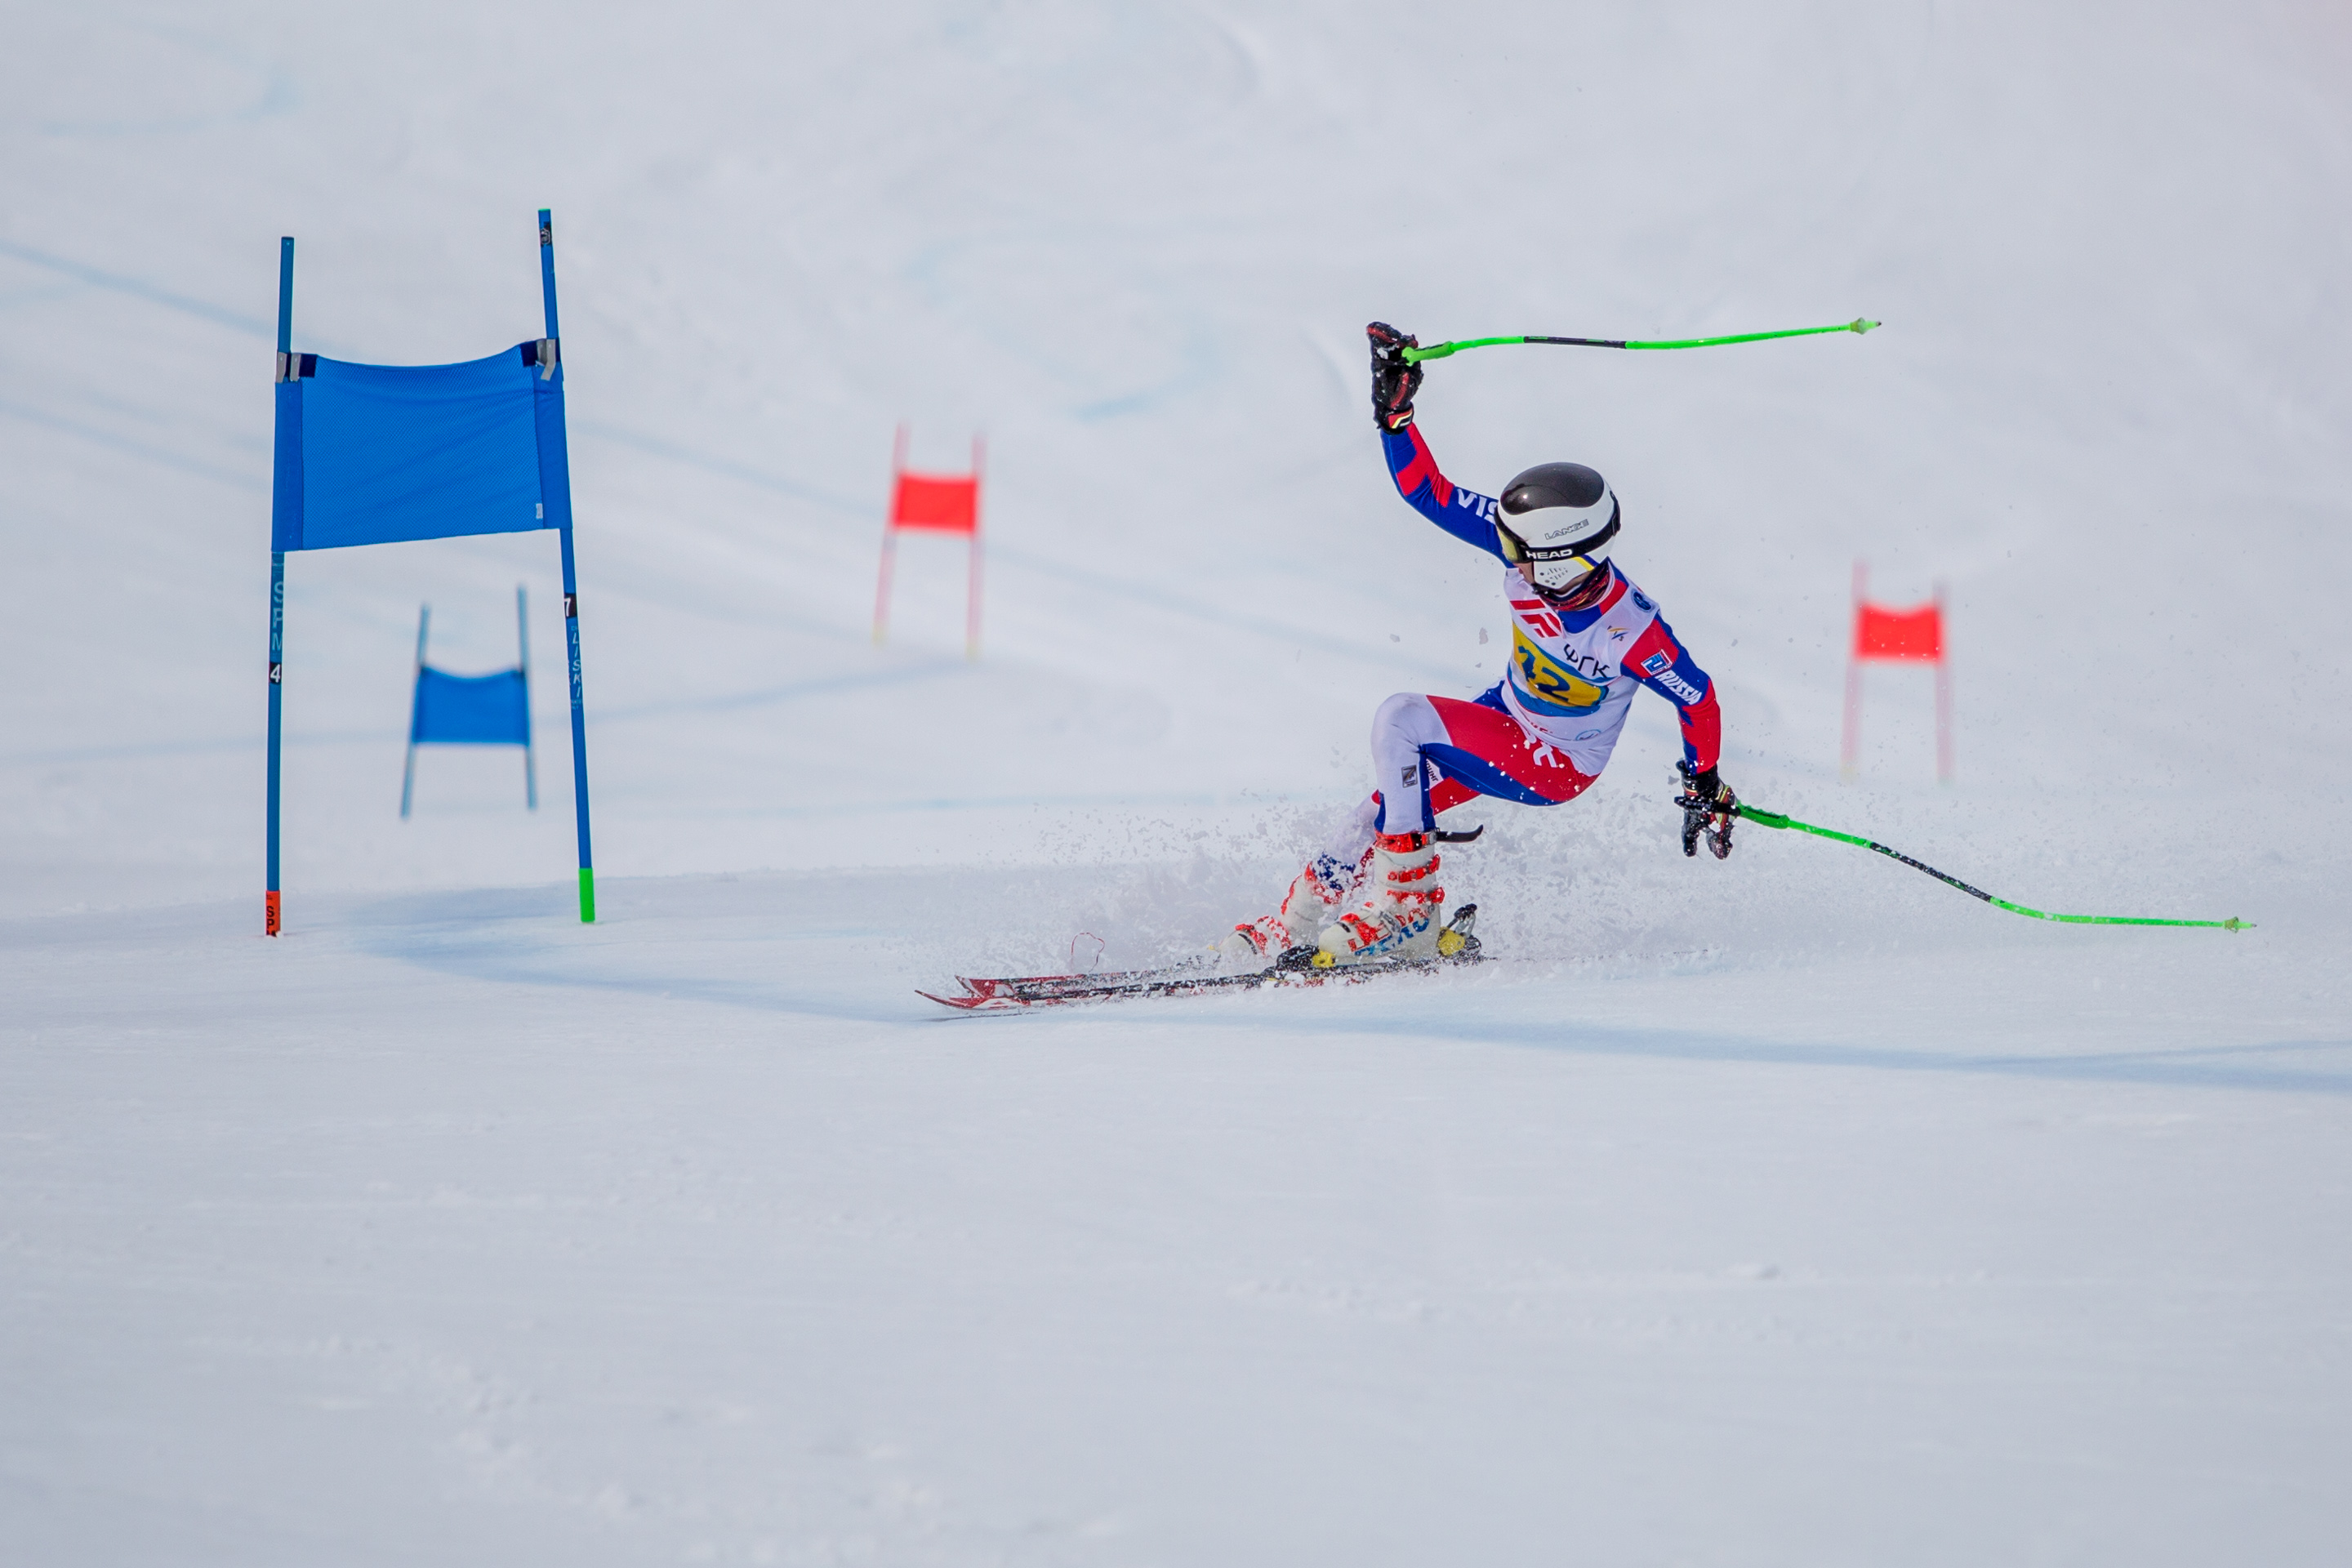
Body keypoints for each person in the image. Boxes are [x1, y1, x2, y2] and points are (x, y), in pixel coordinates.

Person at [1221, 321, 1740, 969]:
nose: (1507, 554)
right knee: (1380, 811)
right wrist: (1396, 416)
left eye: (1521, 553)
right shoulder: (1534, 549)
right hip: (1506, 720)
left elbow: (1699, 697)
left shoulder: (1630, 630)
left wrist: (1705, 784)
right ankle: (1293, 925)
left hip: (1555, 763)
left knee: (1402, 718)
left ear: (1557, 560)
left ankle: (1406, 911)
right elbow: (1427, 493)